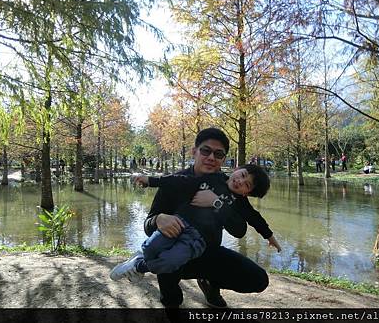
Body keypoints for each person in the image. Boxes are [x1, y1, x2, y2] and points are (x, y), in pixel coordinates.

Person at [113, 128, 274, 308]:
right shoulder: (174, 181)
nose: (211, 157)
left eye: (218, 154)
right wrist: (159, 219)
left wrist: (217, 203)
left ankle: (210, 284)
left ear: (223, 159)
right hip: (174, 246)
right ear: (194, 151)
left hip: (206, 251)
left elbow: (239, 230)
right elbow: (148, 224)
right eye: (206, 151)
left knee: (258, 280)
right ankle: (169, 298)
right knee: (169, 275)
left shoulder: (230, 187)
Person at [109, 164, 281, 281]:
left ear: (246, 193)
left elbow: (254, 219)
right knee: (150, 247)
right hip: (179, 223)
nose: (240, 181)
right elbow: (180, 181)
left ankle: (139, 266)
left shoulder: (239, 203)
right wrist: (151, 181)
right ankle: (142, 257)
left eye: (246, 185)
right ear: (237, 169)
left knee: (169, 262)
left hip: (197, 240)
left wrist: (270, 236)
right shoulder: (213, 178)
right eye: (242, 175)